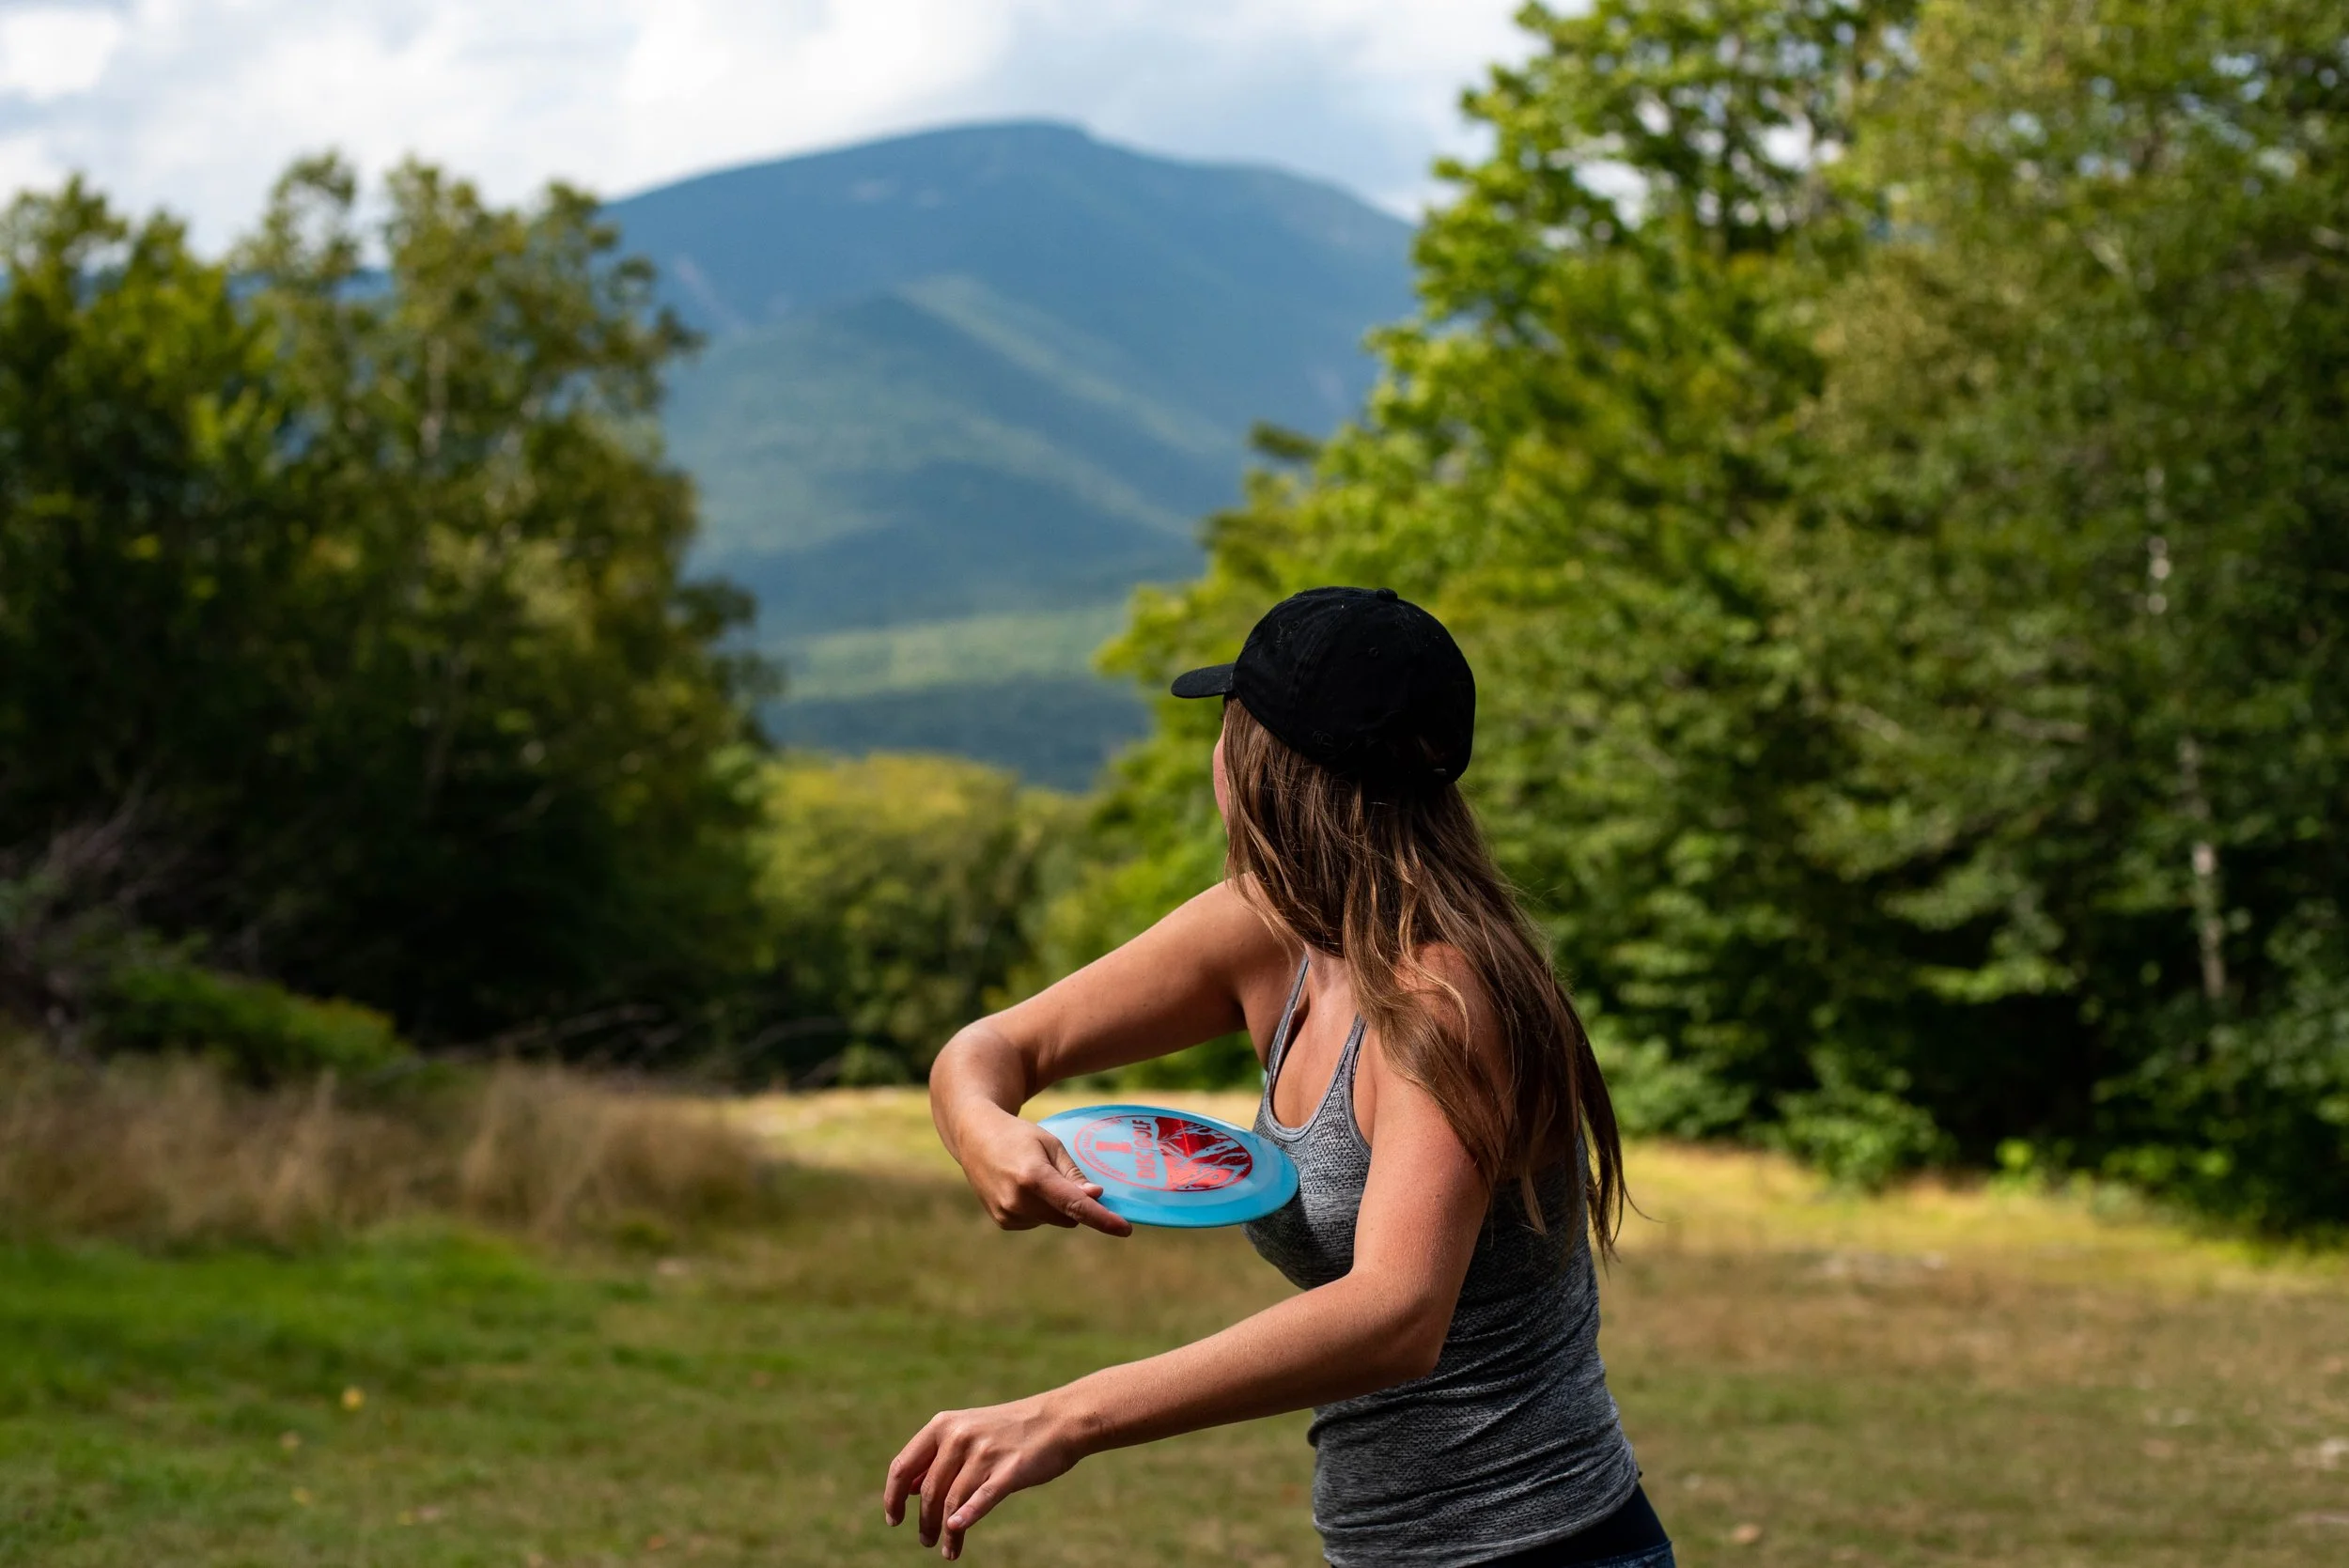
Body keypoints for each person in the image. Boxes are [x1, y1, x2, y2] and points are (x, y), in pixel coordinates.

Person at [883, 586, 1671, 1567]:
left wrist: (1067, 1415)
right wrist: (983, 1128)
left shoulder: (1444, 999)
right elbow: (995, 1048)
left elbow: (1396, 1315)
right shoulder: (1270, 930)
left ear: (1257, 763)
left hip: (1541, 1550)